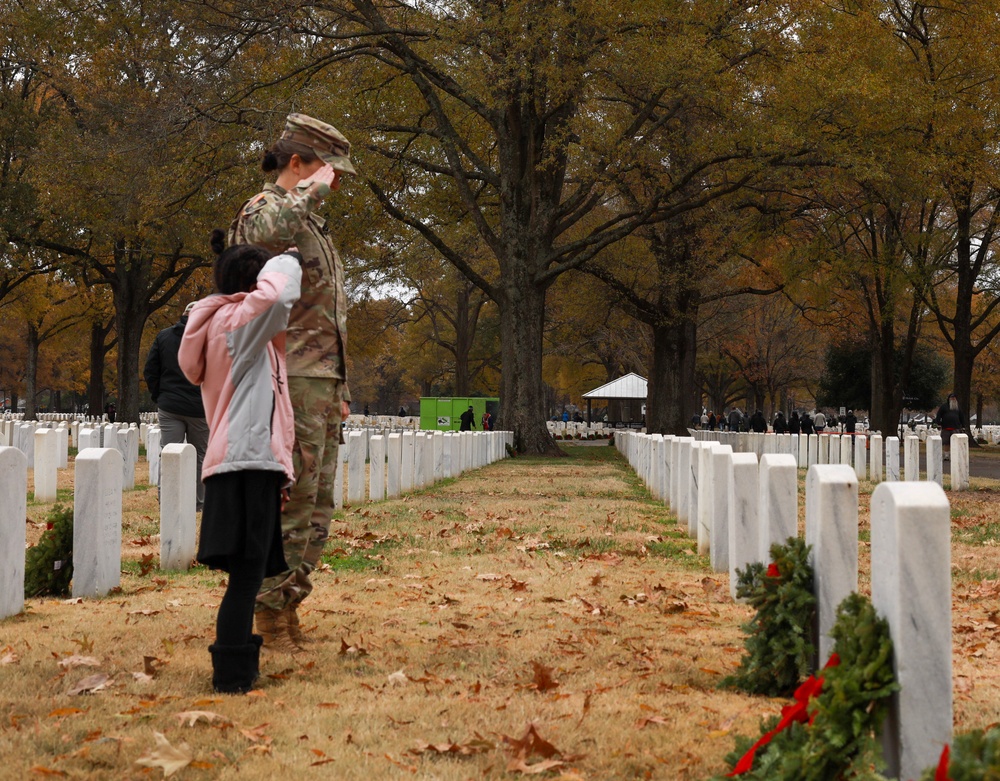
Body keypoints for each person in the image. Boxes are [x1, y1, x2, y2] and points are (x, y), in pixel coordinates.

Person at [228, 112, 356, 651]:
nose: (337, 179)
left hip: (320, 383)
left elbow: (329, 312)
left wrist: (341, 390)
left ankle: (290, 604)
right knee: (292, 499)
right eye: (329, 167)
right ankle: (268, 612)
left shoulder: (307, 219)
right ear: (298, 161)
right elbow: (256, 242)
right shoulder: (267, 209)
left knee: (317, 504)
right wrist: (308, 190)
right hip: (288, 380)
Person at [178, 233, 301, 693]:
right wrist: (287, 259)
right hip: (245, 462)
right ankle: (231, 676)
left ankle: (242, 667)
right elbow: (280, 293)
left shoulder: (229, 326)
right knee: (246, 576)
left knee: (246, 574)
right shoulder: (236, 322)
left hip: (246, 461)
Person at [144, 303, 210, 510]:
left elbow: (150, 371)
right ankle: (199, 504)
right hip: (200, 408)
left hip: (170, 406)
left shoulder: (163, 337)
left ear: (183, 315)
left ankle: (168, 502)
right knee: (201, 456)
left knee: (169, 453)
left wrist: (160, 397)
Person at [934, 392, 966, 460]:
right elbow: (939, 415)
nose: (953, 399)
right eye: (951, 397)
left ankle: (955, 455)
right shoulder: (944, 406)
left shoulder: (958, 408)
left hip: (956, 427)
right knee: (946, 442)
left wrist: (963, 426)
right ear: (949, 399)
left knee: (956, 442)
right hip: (946, 427)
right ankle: (946, 455)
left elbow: (962, 417)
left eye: (954, 398)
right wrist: (938, 424)